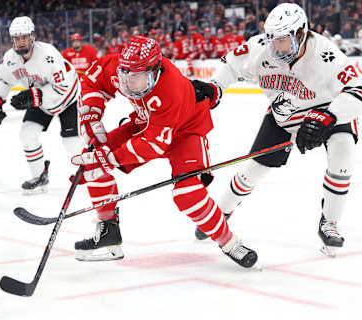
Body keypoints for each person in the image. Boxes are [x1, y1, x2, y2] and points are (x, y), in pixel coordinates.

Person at [191, 3, 362, 257]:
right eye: (272, 39)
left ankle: (329, 222)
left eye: (283, 40)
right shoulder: (261, 48)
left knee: (343, 155)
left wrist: (328, 116)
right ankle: (219, 214)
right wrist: (216, 86)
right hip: (285, 114)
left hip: (328, 112)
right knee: (253, 170)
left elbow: (360, 94)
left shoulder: (326, 55)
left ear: (300, 34)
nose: (276, 46)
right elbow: (231, 64)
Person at [70, 36, 258, 268]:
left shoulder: (172, 88)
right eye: (125, 75)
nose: (128, 83)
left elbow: (153, 145)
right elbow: (91, 79)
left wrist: (110, 157)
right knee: (91, 161)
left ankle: (230, 243)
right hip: (146, 123)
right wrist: (91, 114)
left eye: (137, 77)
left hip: (186, 132)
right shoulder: (124, 68)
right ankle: (108, 231)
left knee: (187, 194)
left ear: (155, 70)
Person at [0, 16, 83, 194]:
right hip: (41, 99)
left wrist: (33, 96)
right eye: (17, 38)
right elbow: (5, 81)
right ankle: (40, 177)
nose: (20, 42)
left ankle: (90, 171)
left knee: (71, 142)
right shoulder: (10, 58)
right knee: (27, 135)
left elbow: (62, 88)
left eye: (24, 37)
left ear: (32, 37)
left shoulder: (48, 54)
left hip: (68, 98)